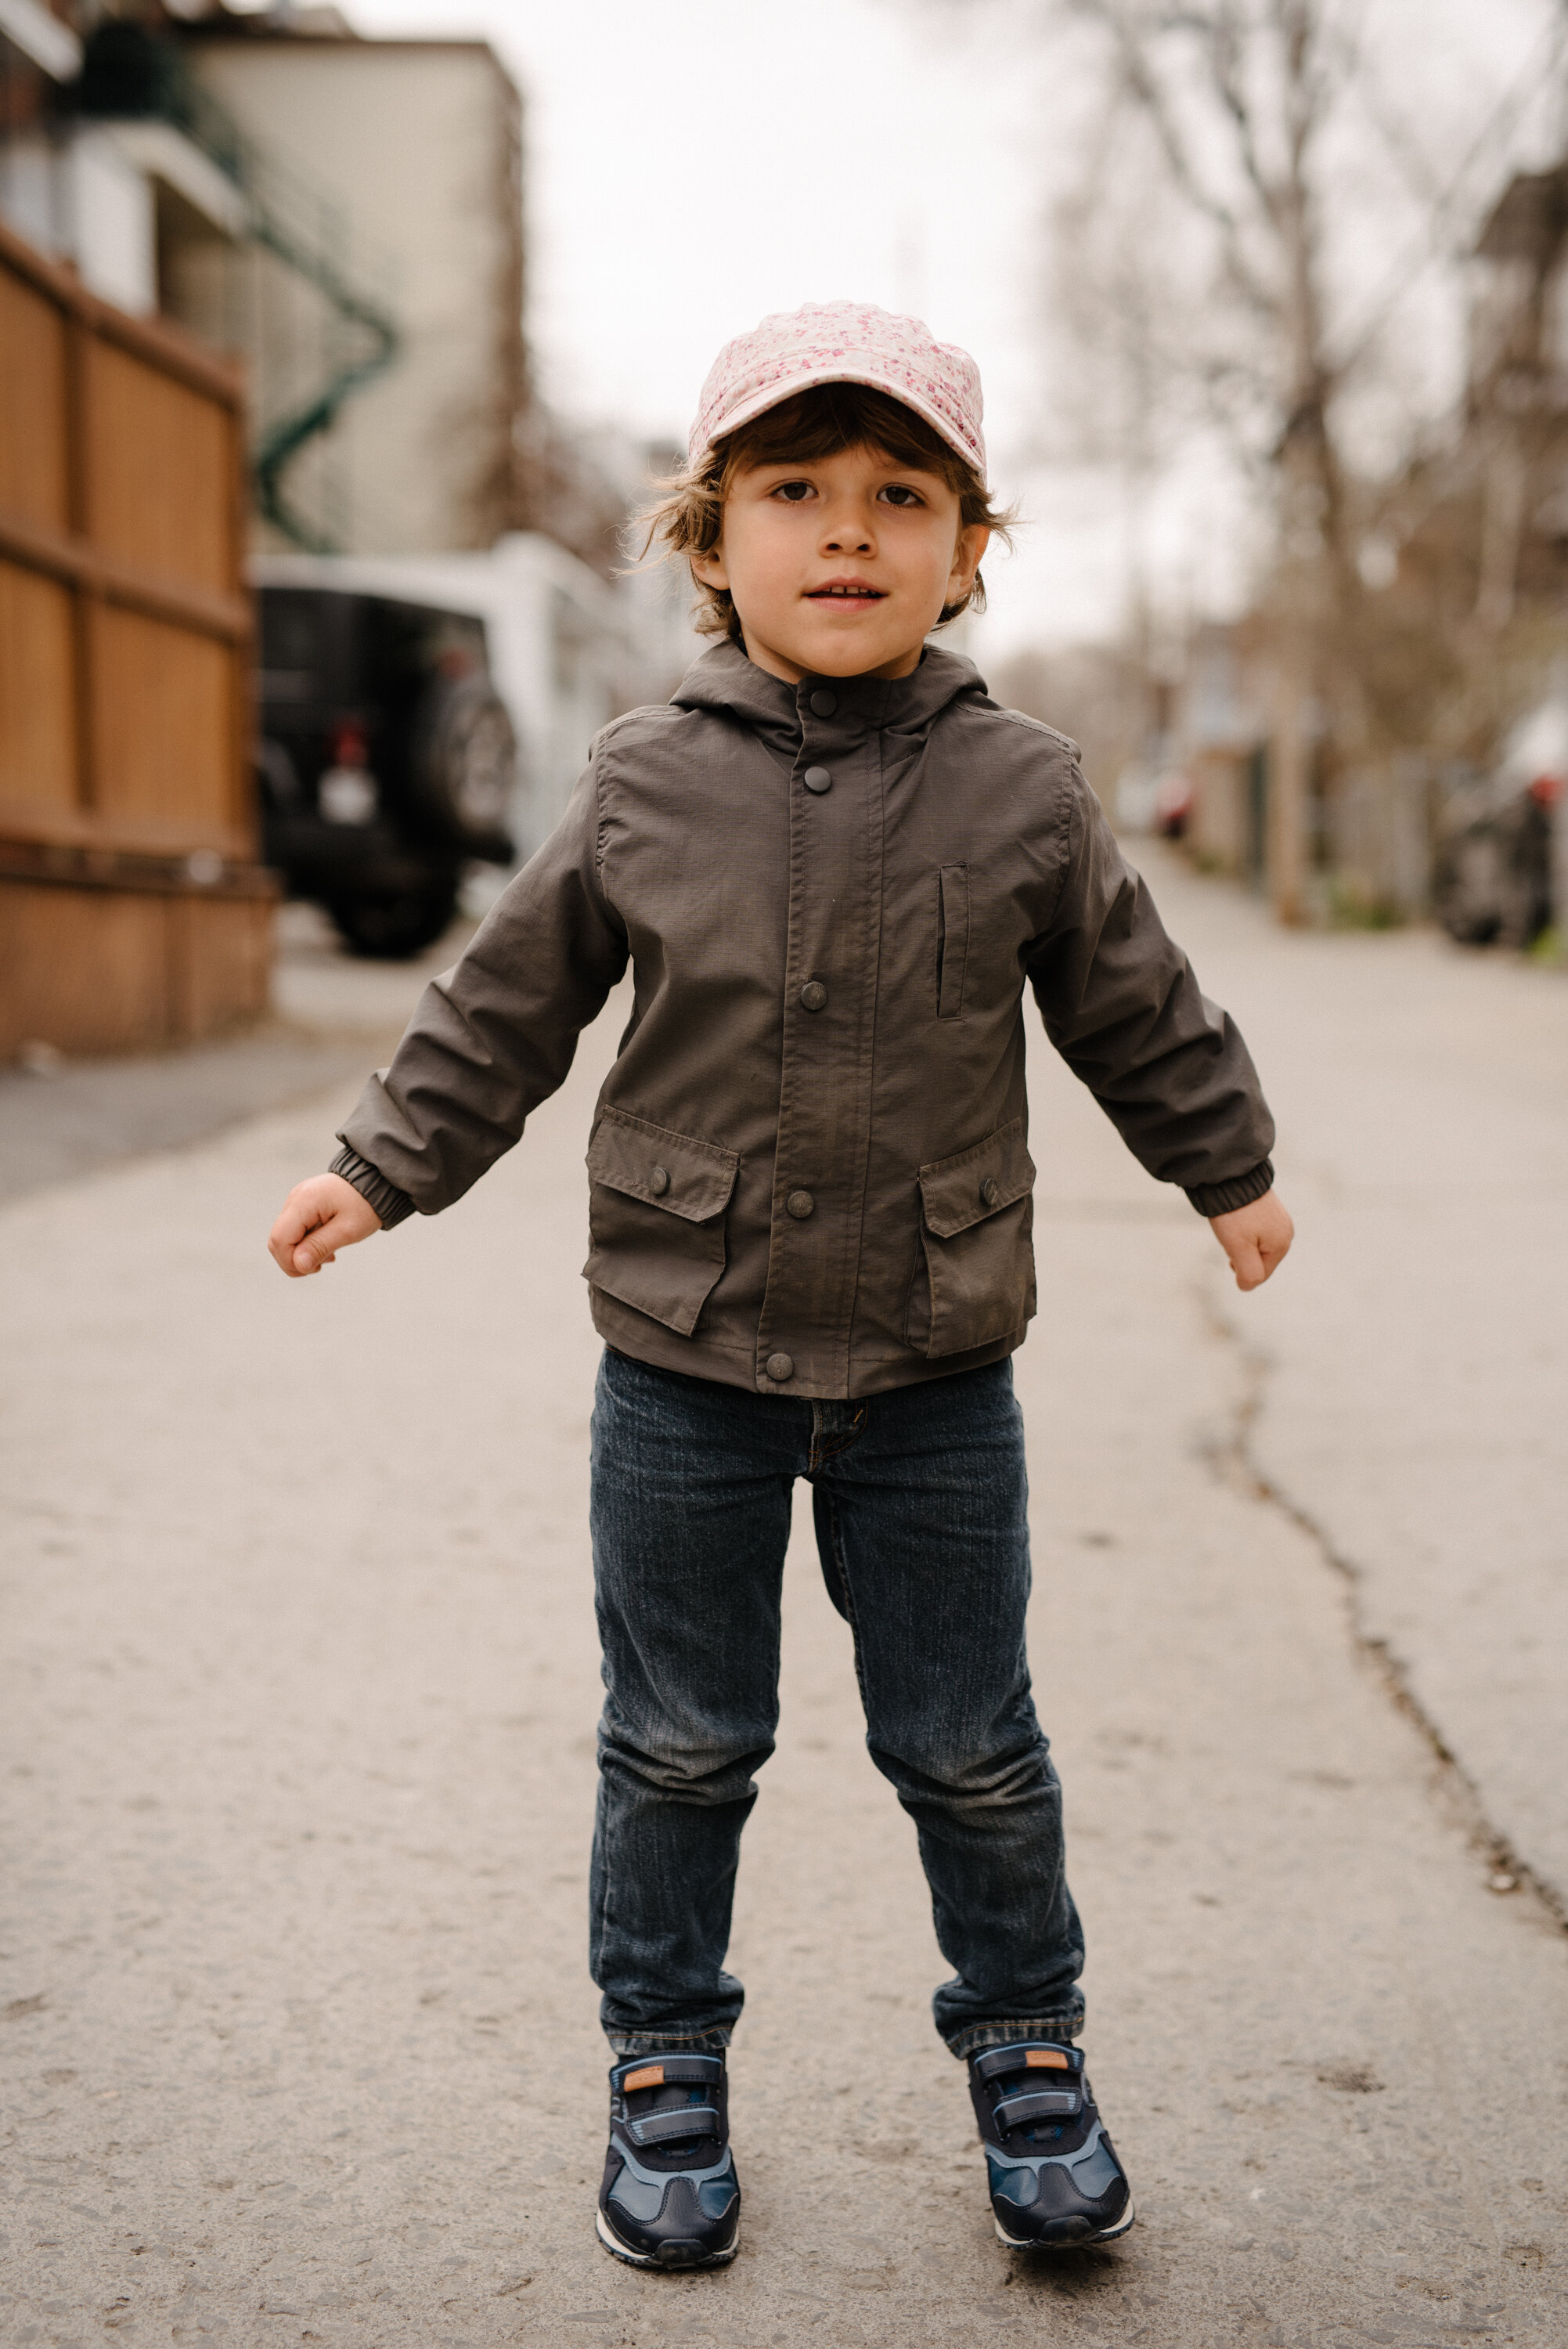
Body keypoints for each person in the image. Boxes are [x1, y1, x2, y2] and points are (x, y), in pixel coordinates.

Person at [267, 302, 1293, 2273]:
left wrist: (1225, 1164)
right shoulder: (645, 779)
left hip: (932, 1371)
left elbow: (1137, 1005)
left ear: (969, 550)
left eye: (899, 496)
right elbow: (505, 1006)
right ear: (710, 538)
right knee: (678, 1742)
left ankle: (1029, 2053)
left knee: (971, 1745)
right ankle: (663, 2061)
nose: (848, 532)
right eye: (796, 492)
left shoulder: (1031, 792)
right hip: (683, 1365)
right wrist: (378, 1166)